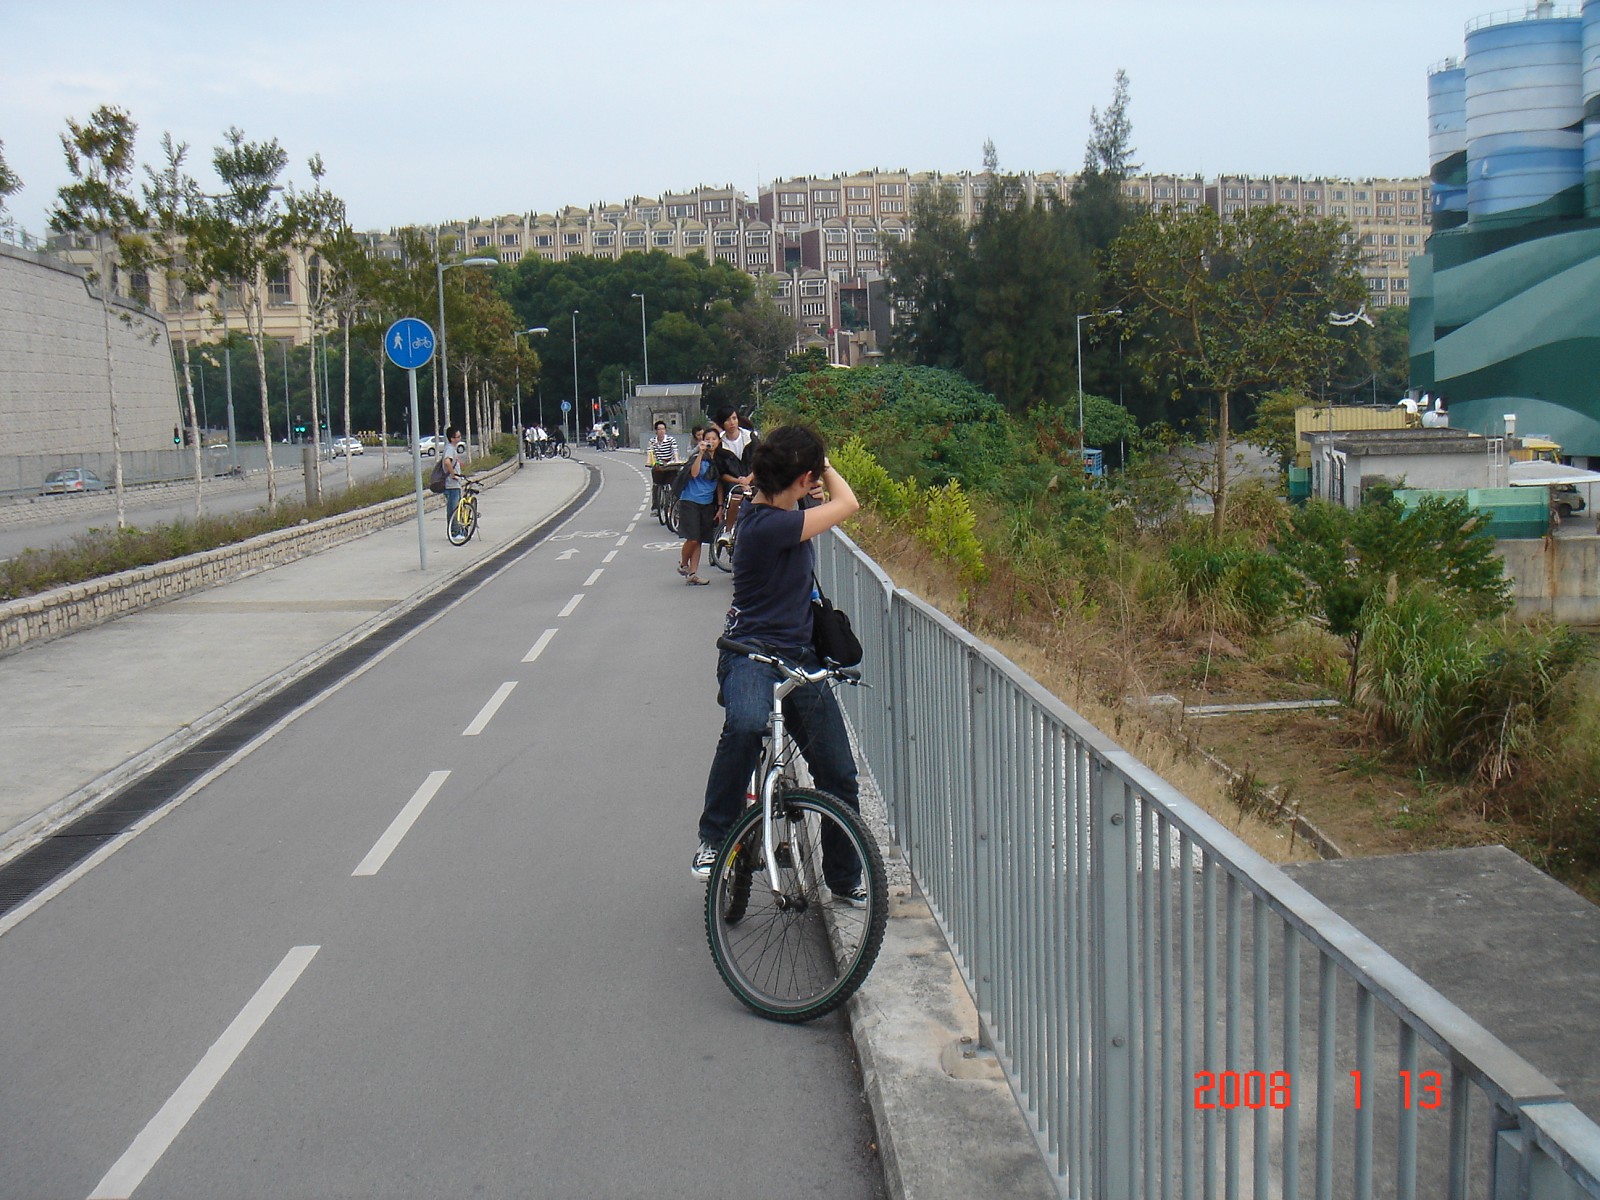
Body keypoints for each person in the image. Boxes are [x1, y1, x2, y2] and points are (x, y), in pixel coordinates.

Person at [690, 425, 863, 903]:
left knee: (838, 774)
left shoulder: (784, 507)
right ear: (804, 478)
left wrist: (807, 477)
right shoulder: (767, 523)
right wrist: (823, 466)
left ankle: (846, 878)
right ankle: (714, 837)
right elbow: (849, 503)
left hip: (799, 655)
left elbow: (815, 499)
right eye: (811, 477)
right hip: (749, 652)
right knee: (746, 725)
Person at [676, 425, 720, 585]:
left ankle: (693, 573)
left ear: (719, 441)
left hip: (707, 503)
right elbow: (694, 473)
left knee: (700, 539)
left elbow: (720, 484)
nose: (711, 442)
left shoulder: (720, 460)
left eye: (714, 439)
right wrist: (701, 454)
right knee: (693, 538)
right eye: (707, 439)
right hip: (691, 500)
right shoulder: (697, 455)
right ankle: (683, 564)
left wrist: (720, 506)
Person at [442, 426, 467, 537]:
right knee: (453, 510)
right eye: (458, 436)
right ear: (452, 438)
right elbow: (447, 462)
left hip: (454, 485)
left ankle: (457, 531)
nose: (460, 438)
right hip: (451, 485)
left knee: (455, 509)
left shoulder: (452, 449)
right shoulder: (450, 449)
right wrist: (453, 474)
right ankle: (454, 532)